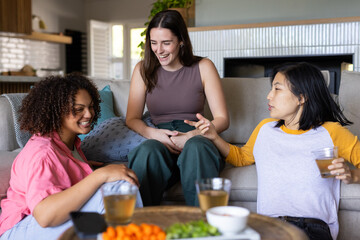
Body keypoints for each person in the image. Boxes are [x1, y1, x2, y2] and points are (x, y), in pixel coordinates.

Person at [185, 62, 360, 240]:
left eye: (277, 89)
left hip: (310, 227)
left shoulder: (331, 132)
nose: (269, 96)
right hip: (267, 226)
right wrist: (214, 136)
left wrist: (351, 176)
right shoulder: (265, 128)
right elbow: (241, 157)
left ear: (302, 97)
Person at [0, 74, 142, 240]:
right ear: (57, 111)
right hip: (19, 232)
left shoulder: (69, 145)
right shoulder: (43, 153)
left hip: (42, 226)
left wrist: (90, 169)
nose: (89, 114)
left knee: (119, 187)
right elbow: (45, 216)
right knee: (115, 188)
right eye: (79, 109)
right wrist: (100, 175)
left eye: (91, 107)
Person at [126, 10, 229, 206]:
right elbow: (132, 118)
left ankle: (204, 229)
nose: (159, 50)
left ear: (181, 40)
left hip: (198, 138)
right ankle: (141, 227)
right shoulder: (142, 70)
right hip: (161, 141)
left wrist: (191, 136)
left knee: (196, 148)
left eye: (166, 43)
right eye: (153, 43)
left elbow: (222, 119)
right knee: (147, 152)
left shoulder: (204, 66)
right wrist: (152, 133)